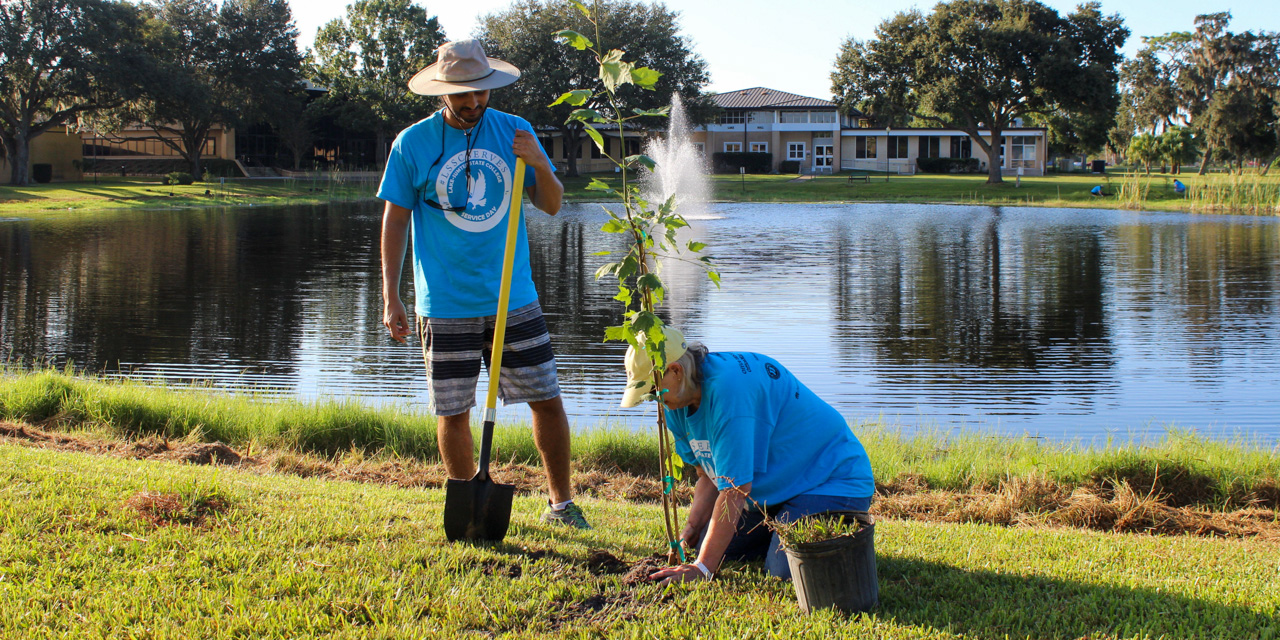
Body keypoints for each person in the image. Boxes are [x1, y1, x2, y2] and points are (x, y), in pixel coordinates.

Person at [377, 39, 588, 529]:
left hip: (513, 298)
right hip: (445, 302)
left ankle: (562, 504)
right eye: (462, 95)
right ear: (442, 92)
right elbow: (394, 221)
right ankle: (470, 503)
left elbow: (553, 205)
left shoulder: (516, 131)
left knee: (546, 398)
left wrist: (537, 161)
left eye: (480, 94)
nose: (473, 104)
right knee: (453, 411)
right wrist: (391, 297)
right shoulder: (412, 144)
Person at [621, 328, 875, 584]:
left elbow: (735, 488)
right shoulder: (677, 401)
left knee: (783, 573)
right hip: (774, 494)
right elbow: (709, 475)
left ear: (675, 371)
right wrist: (691, 531)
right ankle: (782, 530)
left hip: (830, 481)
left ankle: (836, 533)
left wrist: (703, 569)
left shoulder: (730, 394)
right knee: (708, 548)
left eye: (653, 390)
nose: (653, 399)